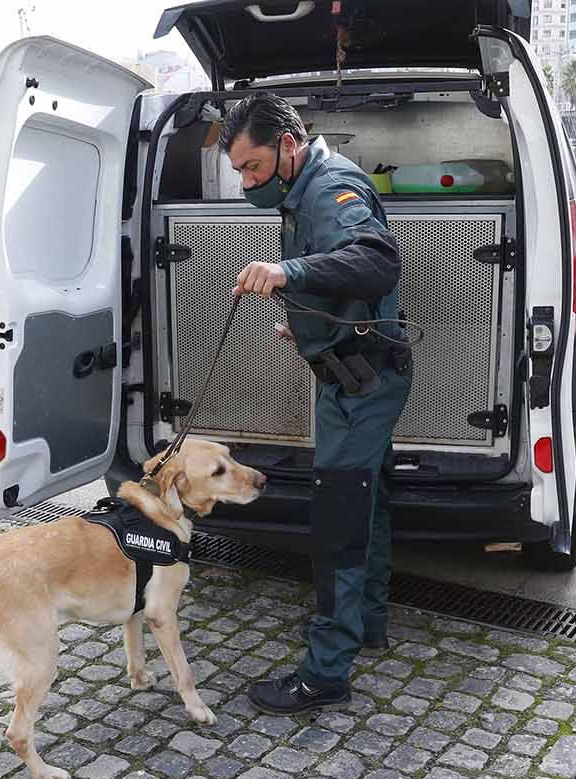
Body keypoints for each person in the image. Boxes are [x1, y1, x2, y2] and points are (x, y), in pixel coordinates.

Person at [221, 93, 412, 715]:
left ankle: (326, 673)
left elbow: (376, 261)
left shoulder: (332, 186)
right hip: (352, 370)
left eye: (252, 167)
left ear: (287, 146)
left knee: (337, 525)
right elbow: (340, 280)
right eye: (239, 172)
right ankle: (369, 624)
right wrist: (309, 326)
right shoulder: (299, 193)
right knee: (369, 504)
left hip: (361, 385)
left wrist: (284, 275)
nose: (247, 182)